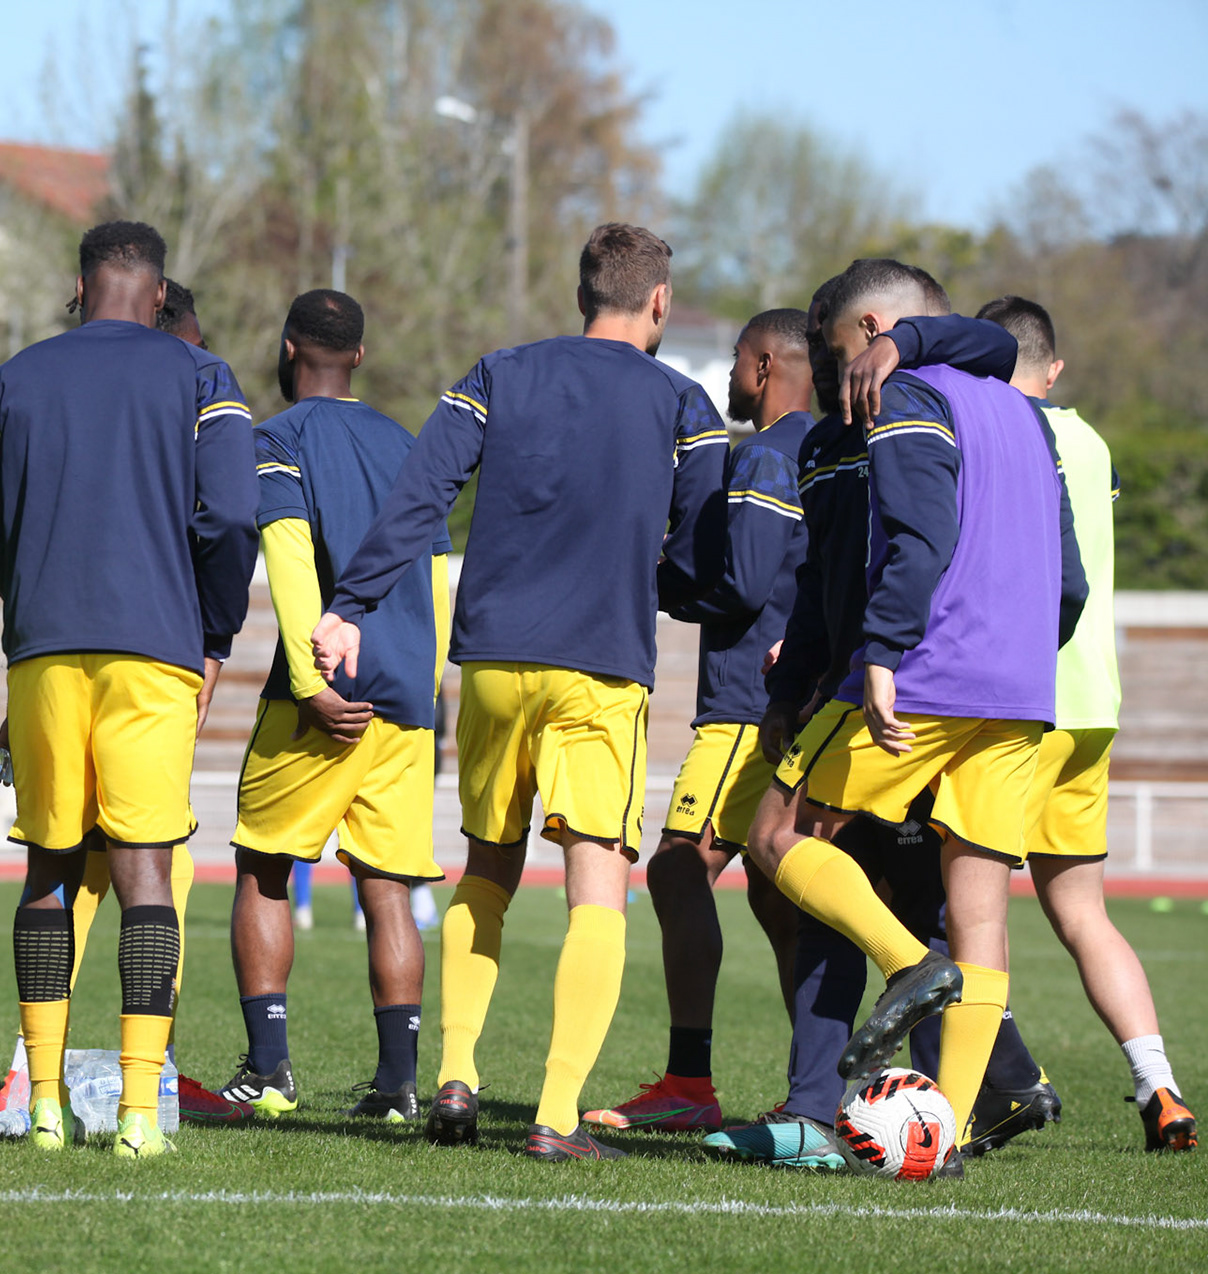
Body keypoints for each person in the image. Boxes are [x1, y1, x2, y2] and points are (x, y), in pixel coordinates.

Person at [312, 224, 727, 1161]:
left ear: (583, 294)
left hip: (495, 662)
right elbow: (708, 553)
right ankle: (555, 1116)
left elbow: (422, 491)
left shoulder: (499, 372)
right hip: (601, 668)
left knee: (487, 870)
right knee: (597, 888)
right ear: (660, 301)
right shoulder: (683, 400)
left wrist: (349, 605)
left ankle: (455, 1073)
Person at [741, 258, 1085, 1165]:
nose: (834, 372)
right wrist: (1021, 661)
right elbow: (1070, 581)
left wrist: (886, 653)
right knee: (980, 914)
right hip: (1019, 692)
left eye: (836, 350)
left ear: (871, 336)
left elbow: (921, 536)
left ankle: (906, 965)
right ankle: (951, 1134)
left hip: (924, 673)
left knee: (776, 833)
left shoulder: (908, 395)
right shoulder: (1025, 413)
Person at [0, 219, 257, 1159]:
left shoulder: (12, 378)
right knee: (144, 875)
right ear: (160, 290)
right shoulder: (204, 377)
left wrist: (41, 596)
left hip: (44, 650)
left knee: (48, 870)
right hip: (155, 648)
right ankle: (138, 1113)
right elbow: (232, 517)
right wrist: (212, 633)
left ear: (79, 281)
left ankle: (46, 1105)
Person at [583, 308, 815, 1134]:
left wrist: (650, 579)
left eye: (736, 361)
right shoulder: (826, 451)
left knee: (678, 870)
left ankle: (689, 1082)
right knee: (779, 898)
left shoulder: (766, 455)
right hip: (794, 702)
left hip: (749, 709)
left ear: (764, 365)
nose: (728, 377)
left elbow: (743, 582)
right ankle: (818, 1092)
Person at [220, 289, 449, 1125]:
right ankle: (398, 1086)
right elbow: (435, 576)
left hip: (323, 697)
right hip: (404, 702)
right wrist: (425, 691)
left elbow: (288, 560)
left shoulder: (277, 439)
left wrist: (310, 683)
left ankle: (270, 1070)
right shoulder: (409, 445)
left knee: (264, 868)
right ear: (357, 355)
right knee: (388, 887)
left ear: (288, 349)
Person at [977, 294, 1196, 1154]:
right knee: (1084, 913)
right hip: (1094, 706)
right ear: (1055, 367)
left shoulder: (993, 430)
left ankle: (1001, 1081)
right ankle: (1159, 1085)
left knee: (969, 906)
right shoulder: (1094, 440)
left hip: (1020, 703)